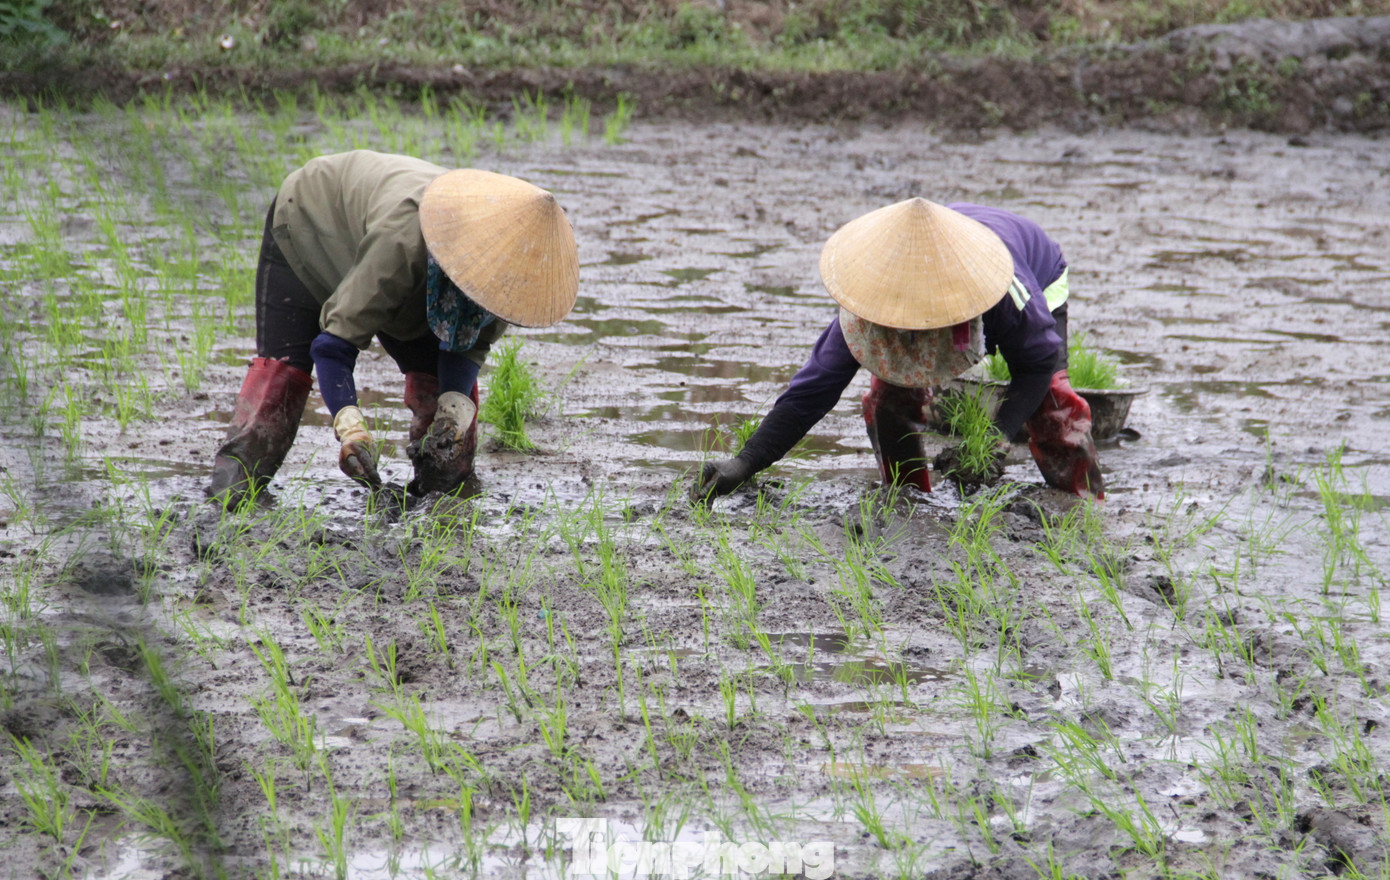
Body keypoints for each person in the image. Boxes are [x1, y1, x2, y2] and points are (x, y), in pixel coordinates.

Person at [207, 150, 579, 506]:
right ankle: (230, 499)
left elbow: (467, 346)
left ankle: (438, 507)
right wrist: (350, 426)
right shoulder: (401, 241)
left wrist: (453, 413)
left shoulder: (505, 277)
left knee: (448, 426)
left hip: (410, 262)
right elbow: (334, 345)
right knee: (283, 378)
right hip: (312, 223)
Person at [693, 197, 1104, 502]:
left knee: (1053, 401)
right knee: (889, 396)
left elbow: (1036, 365)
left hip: (1034, 269)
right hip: (932, 258)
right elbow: (812, 391)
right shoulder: (867, 306)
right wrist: (745, 462)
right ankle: (910, 499)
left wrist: (995, 438)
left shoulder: (1009, 294)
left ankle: (1080, 502)